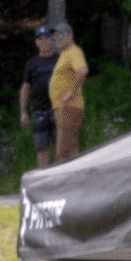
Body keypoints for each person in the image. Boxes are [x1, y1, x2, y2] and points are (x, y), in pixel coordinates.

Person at [48, 22, 89, 161]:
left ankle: (67, 175)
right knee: (70, 149)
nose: (57, 39)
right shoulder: (64, 54)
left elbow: (82, 71)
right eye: (55, 37)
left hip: (69, 107)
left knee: (63, 152)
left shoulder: (74, 51)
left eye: (61, 36)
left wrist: (72, 93)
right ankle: (79, 173)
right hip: (62, 108)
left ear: (70, 36)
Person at [19, 27, 60, 168]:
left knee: (61, 147)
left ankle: (62, 177)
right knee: (42, 148)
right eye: (40, 39)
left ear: (52, 40)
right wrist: (23, 111)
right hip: (39, 111)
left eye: (47, 38)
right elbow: (26, 87)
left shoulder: (60, 59)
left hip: (58, 109)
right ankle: (45, 176)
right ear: (36, 43)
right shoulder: (31, 63)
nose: (44, 42)